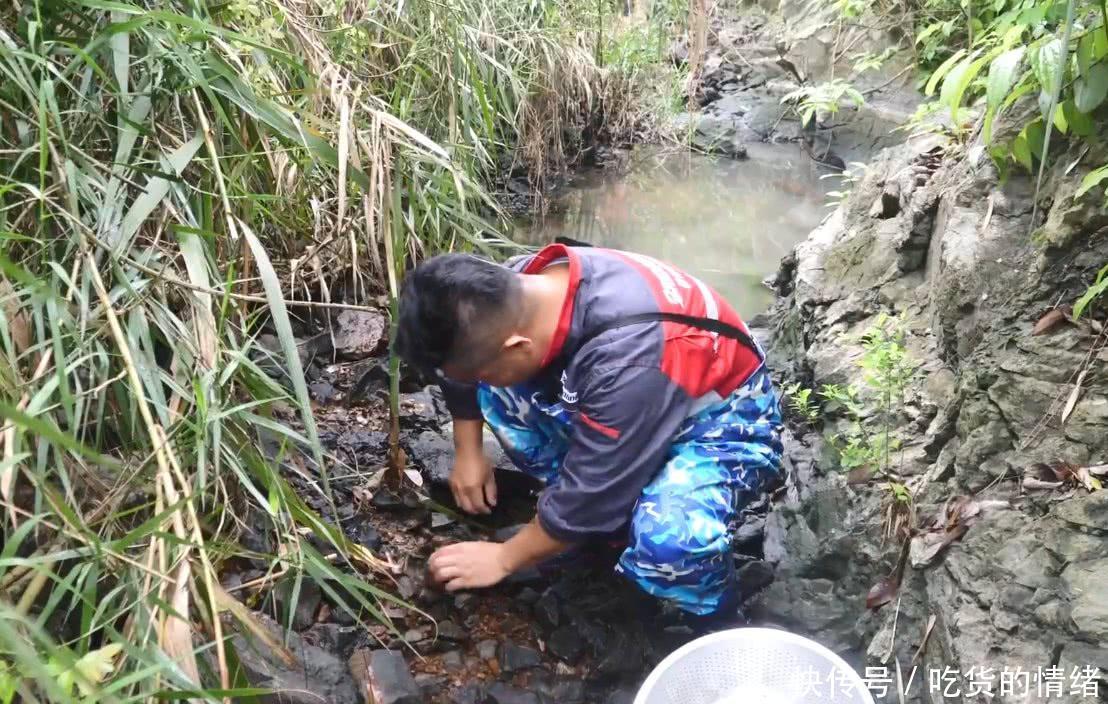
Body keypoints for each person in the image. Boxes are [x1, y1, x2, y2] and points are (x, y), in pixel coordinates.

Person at [394, 242, 783, 621]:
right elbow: (459, 364)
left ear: (518, 346)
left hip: (720, 419)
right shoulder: (512, 288)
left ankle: (716, 615)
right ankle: (607, 529)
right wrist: (468, 451)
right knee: (497, 392)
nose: (472, 380)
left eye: (478, 372)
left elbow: (590, 495)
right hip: (638, 396)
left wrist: (504, 558)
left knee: (669, 542)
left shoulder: (626, 359)